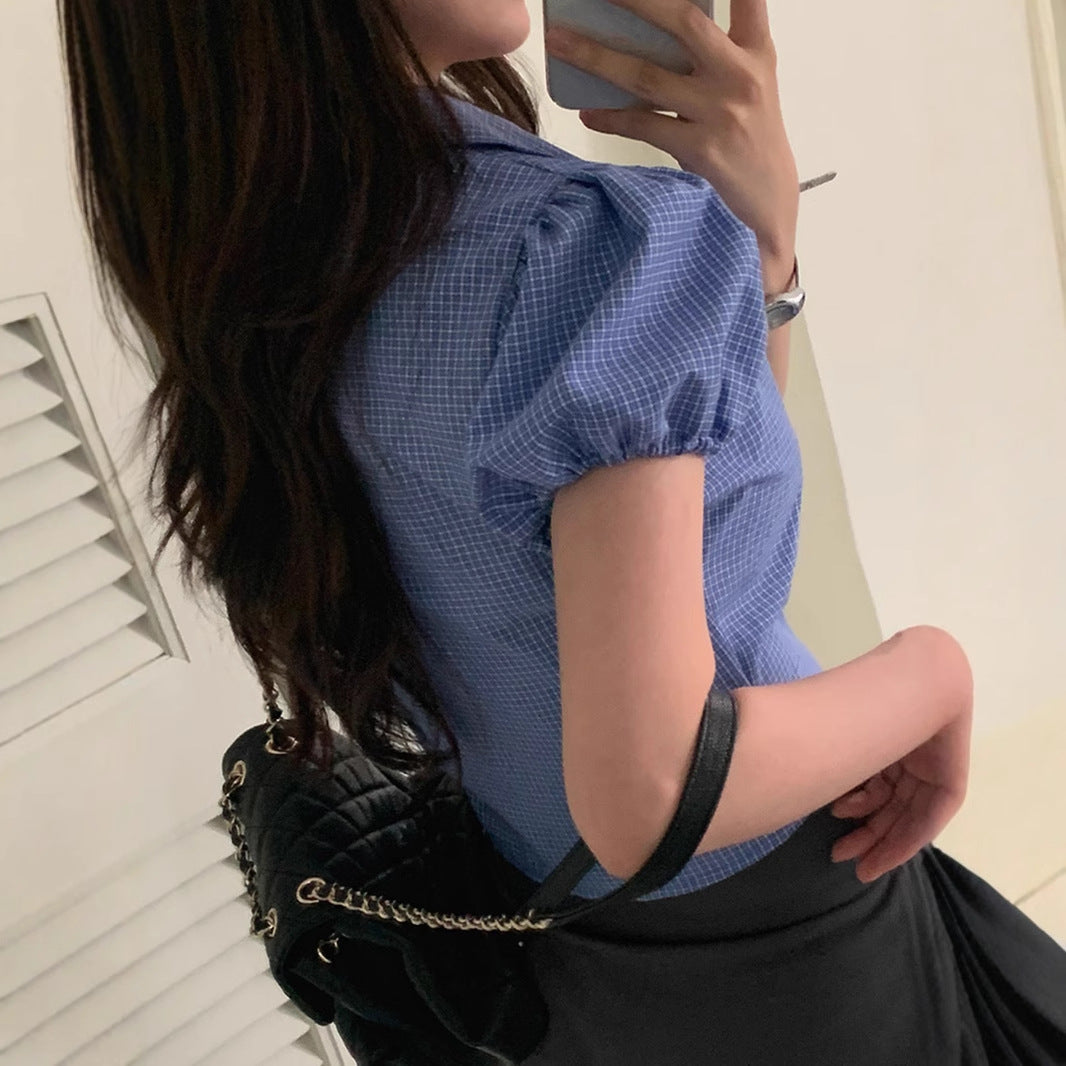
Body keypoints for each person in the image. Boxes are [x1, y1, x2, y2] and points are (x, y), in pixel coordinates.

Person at [57, 0, 1066, 1062]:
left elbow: (694, 537)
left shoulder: (272, 270)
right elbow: (654, 793)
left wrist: (763, 252)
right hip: (783, 922)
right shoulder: (581, 244)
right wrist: (934, 670)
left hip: (567, 934)